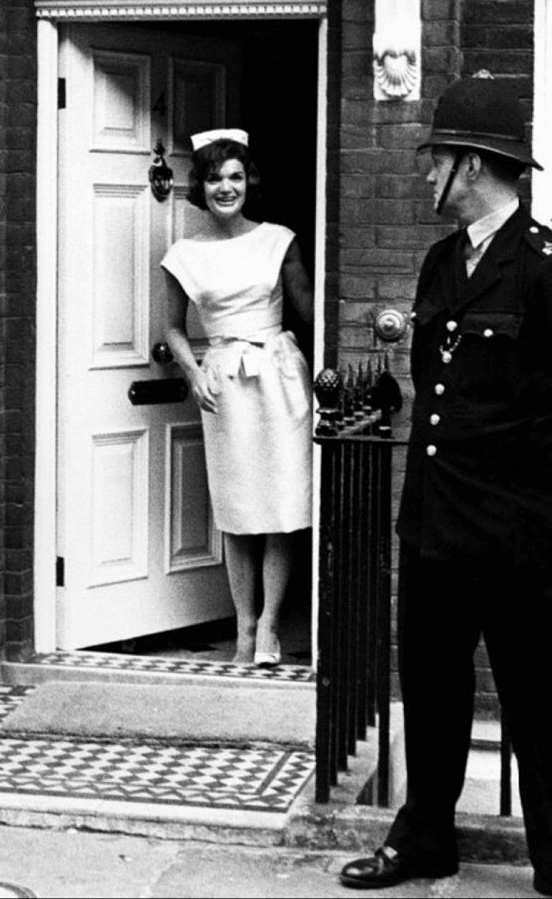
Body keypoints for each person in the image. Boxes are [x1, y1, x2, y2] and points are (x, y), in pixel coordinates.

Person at [340, 76, 552, 894]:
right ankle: (425, 838)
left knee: (537, 699)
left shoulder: (541, 269)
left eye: (438, 159)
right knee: (430, 692)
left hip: (516, 533)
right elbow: (440, 384)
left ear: (473, 165)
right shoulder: (440, 261)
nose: (428, 173)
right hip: (433, 524)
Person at [161, 128, 313, 666]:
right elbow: (172, 327)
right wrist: (192, 371)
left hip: (279, 374)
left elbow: (310, 308)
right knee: (238, 506)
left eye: (235, 176)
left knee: (281, 501)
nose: (226, 187)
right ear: (200, 187)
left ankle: (270, 622)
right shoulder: (184, 255)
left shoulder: (279, 240)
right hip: (224, 378)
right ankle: (244, 627)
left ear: (249, 182)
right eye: (214, 178)